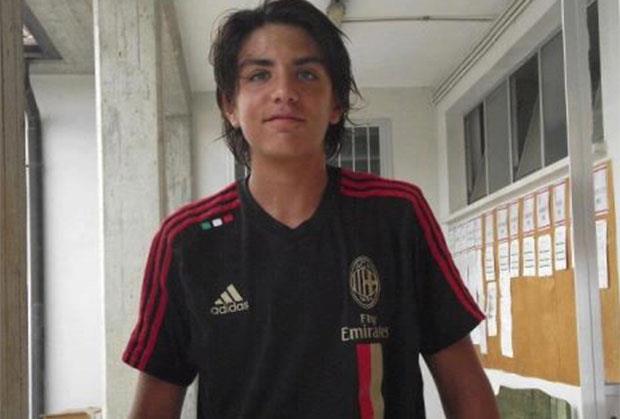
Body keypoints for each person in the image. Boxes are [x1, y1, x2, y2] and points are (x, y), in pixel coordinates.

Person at [123, 0, 500, 417]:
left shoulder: (397, 215)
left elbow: (464, 385)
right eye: (259, 75)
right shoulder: (186, 242)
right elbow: (154, 404)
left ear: (336, 103)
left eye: (306, 74)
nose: (284, 91)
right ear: (230, 106)